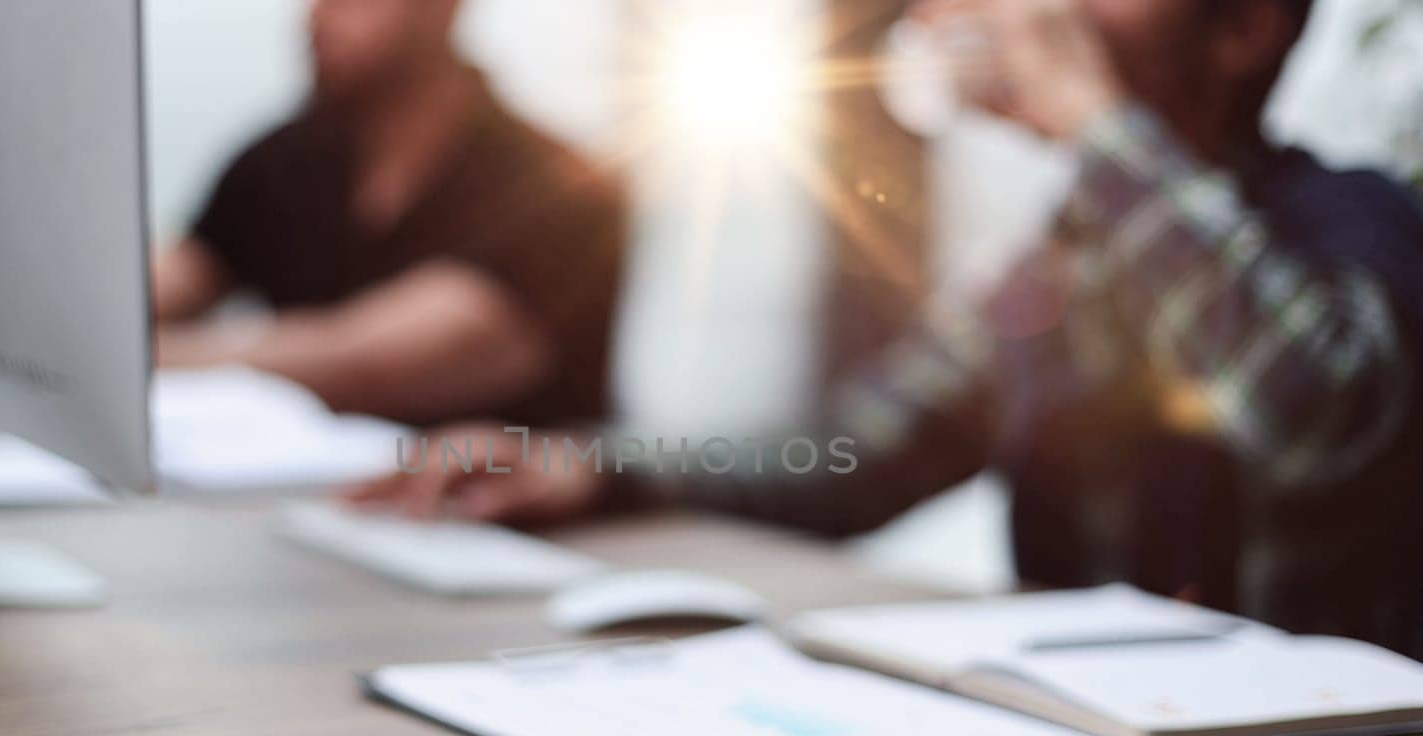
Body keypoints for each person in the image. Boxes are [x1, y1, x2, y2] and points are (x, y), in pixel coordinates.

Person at [351, 0, 1423, 658]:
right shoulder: (1063, 263)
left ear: (1242, 30)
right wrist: (591, 465)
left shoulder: (1356, 222)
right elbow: (852, 455)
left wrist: (1093, 121)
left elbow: (1318, 417)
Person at [155, 0, 624, 425]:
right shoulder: (278, 163)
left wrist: (138, 358)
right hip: (295, 502)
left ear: (442, 10)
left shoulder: (561, 186)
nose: (315, 15)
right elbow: (158, 287)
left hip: (496, 510)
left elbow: (366, 366)